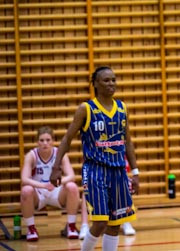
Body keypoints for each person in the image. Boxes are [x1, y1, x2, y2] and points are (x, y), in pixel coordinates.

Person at [51, 66, 139, 251]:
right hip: (95, 171)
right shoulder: (86, 109)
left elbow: (128, 142)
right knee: (100, 223)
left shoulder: (122, 108)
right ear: (96, 84)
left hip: (118, 172)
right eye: (106, 80)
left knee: (115, 224)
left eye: (113, 79)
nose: (111, 83)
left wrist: (135, 172)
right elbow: (67, 139)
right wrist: (56, 166)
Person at [20, 125, 80, 241]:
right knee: (26, 190)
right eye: (42, 140)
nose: (45, 143)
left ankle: (71, 227)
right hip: (39, 193)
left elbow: (71, 176)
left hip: (56, 191)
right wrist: (43, 185)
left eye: (48, 140)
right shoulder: (31, 156)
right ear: (37, 142)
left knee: (72, 187)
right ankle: (31, 229)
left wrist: (55, 183)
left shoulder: (60, 154)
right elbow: (24, 179)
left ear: (53, 141)